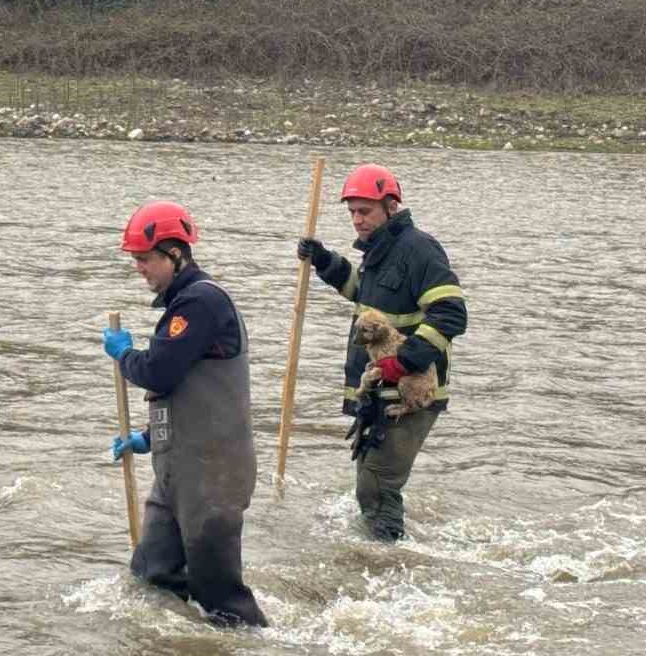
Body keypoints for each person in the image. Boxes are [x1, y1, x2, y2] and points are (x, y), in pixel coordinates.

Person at [103, 200, 268, 628]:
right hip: (179, 467)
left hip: (214, 472)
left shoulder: (201, 303)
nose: (139, 268)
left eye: (145, 259)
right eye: (135, 259)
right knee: (152, 574)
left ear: (175, 254)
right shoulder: (183, 304)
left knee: (221, 596)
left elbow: (159, 372)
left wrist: (125, 356)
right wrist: (149, 436)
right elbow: (186, 391)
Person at [297, 164, 467, 542]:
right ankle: (378, 555)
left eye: (365, 211)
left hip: (409, 392)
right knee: (368, 481)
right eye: (352, 212)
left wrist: (404, 362)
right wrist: (325, 261)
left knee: (376, 485)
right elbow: (364, 294)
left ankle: (389, 560)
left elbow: (451, 313)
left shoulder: (418, 250)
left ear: (390, 207)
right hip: (379, 392)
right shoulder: (379, 251)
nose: (357, 220)